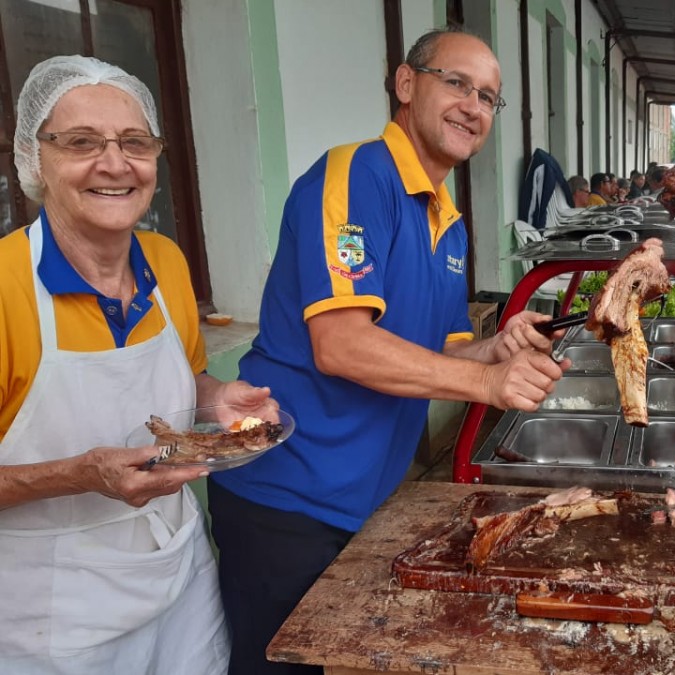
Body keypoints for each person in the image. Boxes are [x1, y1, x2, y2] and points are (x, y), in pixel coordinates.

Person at [208, 28, 569, 674]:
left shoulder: (447, 219)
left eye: (489, 97)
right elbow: (342, 344)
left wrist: (497, 347)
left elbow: (446, 352)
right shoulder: (357, 177)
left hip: (364, 500)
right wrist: (488, 384)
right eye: (456, 83)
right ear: (406, 84)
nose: (473, 107)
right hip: (285, 498)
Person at [0, 55, 277, 673]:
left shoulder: (166, 262)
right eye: (80, 143)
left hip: (178, 578)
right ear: (33, 159)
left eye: (134, 142)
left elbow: (183, 378)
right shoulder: (4, 288)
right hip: (53, 617)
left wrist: (215, 399)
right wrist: (80, 473)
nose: (115, 164)